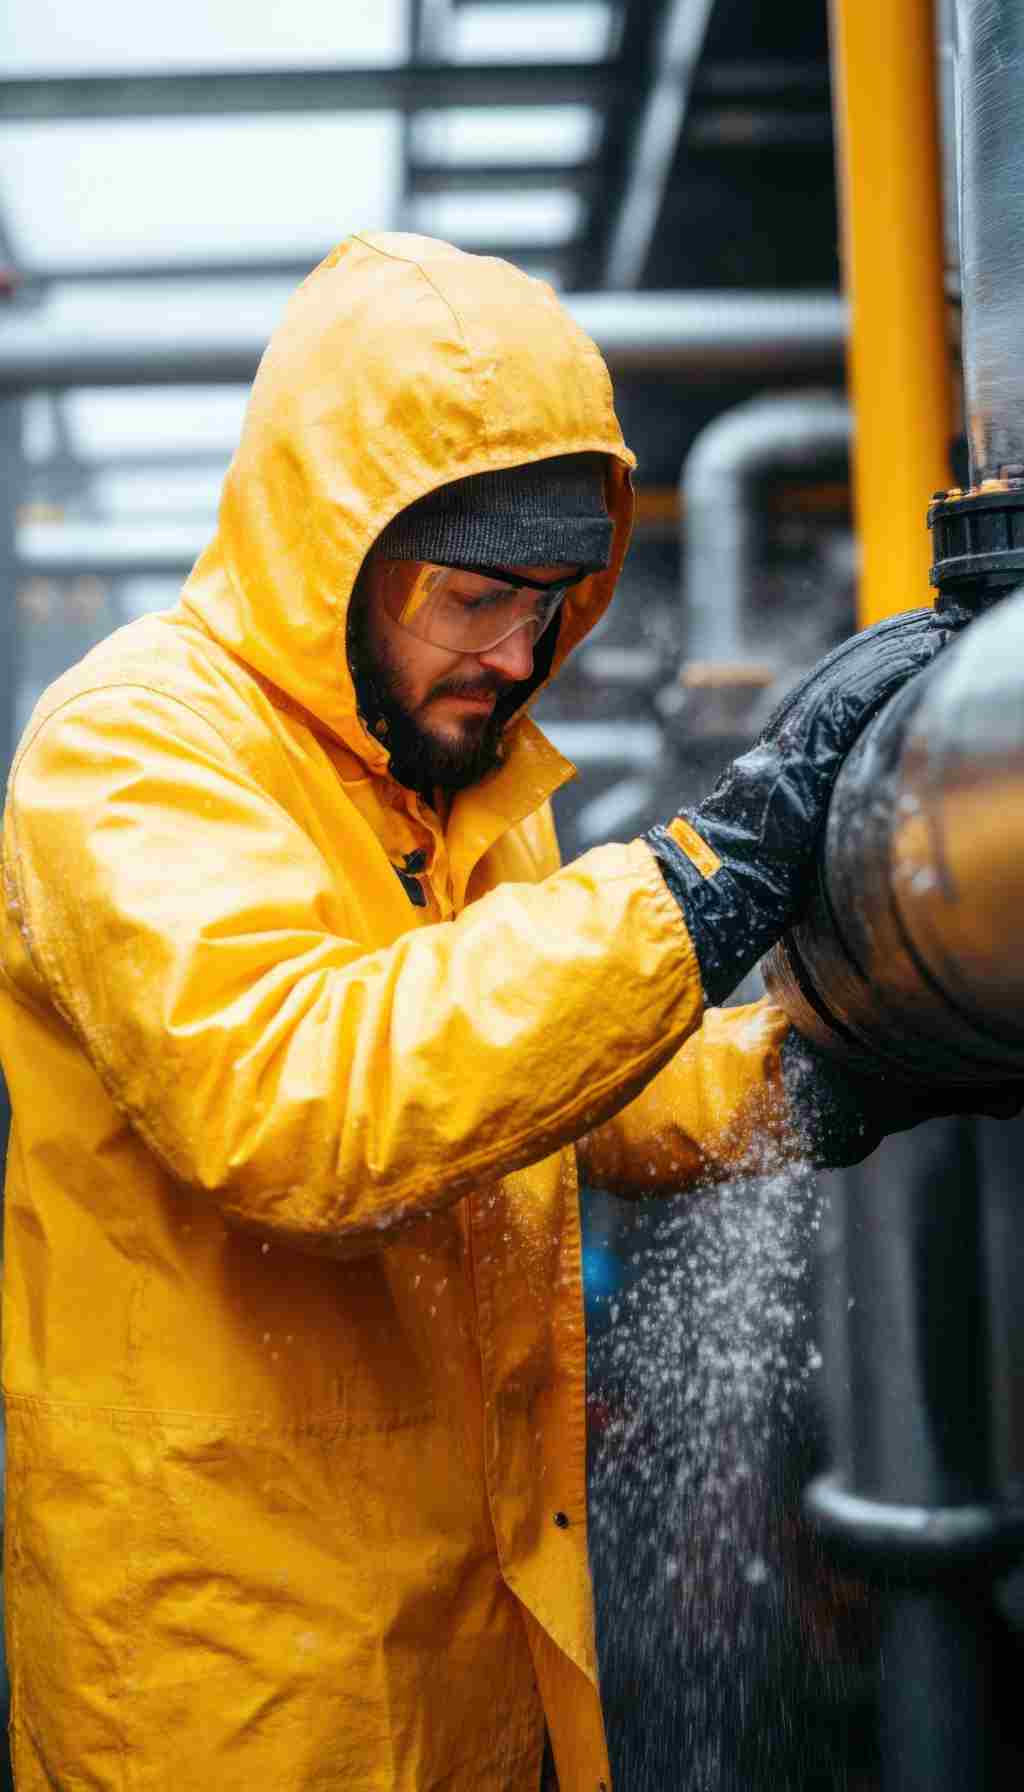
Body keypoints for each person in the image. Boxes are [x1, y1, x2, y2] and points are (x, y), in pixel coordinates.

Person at [0, 234, 979, 1790]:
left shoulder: (454, 780)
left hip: (473, 1644)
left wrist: (822, 1066)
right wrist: (703, 872)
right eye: (473, 598)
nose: (519, 656)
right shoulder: (132, 748)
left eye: (553, 598)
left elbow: (521, 1079)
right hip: (235, 1696)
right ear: (335, 546)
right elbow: (302, 1100)